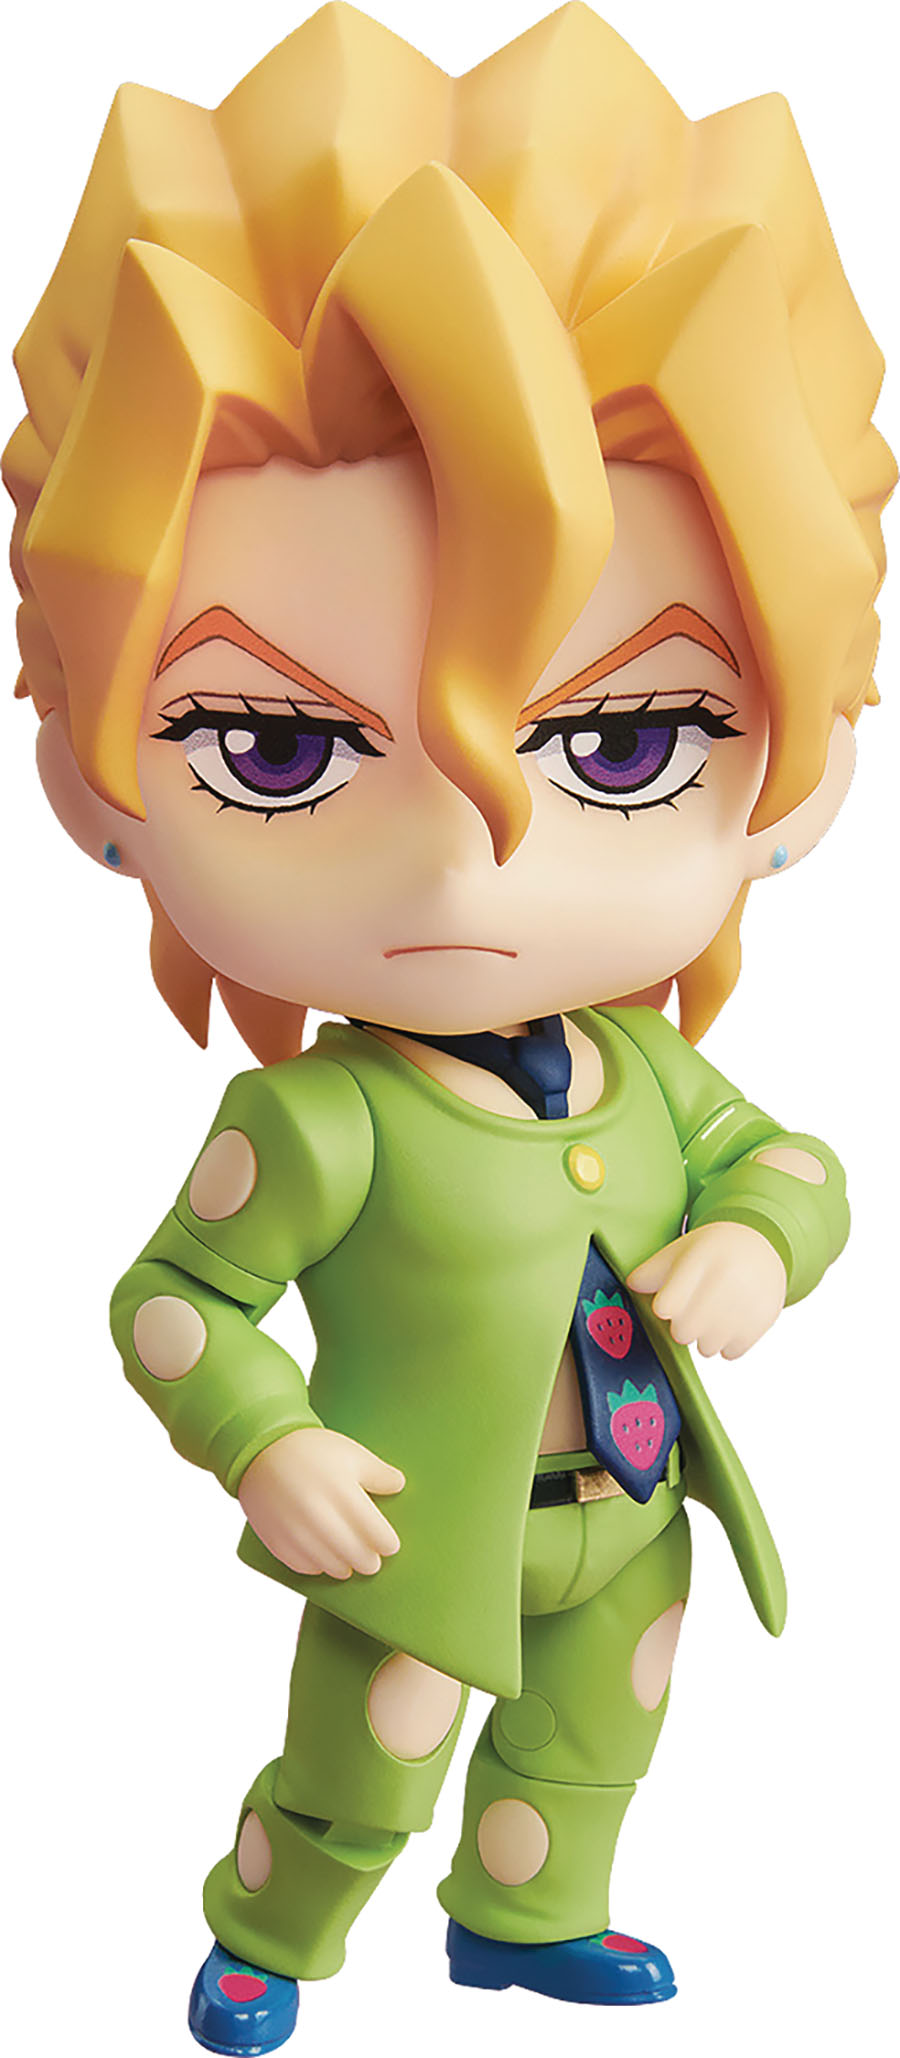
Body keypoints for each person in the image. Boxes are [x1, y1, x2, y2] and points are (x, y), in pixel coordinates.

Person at [5, 6, 892, 2052]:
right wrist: (269, 1440)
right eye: (278, 748)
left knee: (595, 1745)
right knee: (361, 1771)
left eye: (626, 740)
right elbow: (173, 1301)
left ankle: (531, 1916)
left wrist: (763, 1243)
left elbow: (792, 1159)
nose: (468, 863)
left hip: (633, 1520)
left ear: (808, 764)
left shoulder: (648, 1073)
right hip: (416, 1545)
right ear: (93, 784)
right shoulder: (323, 1125)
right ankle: (269, 1931)